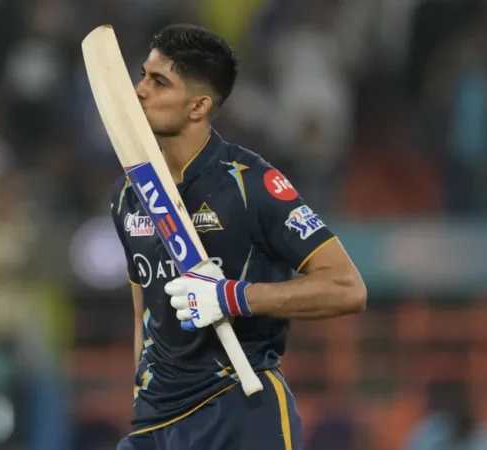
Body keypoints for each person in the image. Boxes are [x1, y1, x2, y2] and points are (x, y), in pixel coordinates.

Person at [110, 24, 367, 450]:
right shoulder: (127, 193)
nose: (139, 90)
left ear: (198, 106)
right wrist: (142, 399)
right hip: (154, 424)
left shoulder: (251, 184)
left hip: (239, 410)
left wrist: (233, 297)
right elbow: (144, 310)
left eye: (159, 82)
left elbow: (347, 288)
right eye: (142, 76)